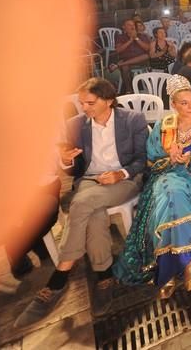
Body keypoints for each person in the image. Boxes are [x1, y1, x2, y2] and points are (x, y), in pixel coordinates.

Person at [15, 78, 147, 326]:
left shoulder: (132, 119)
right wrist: (65, 159)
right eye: (81, 103)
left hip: (124, 179)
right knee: (93, 213)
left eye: (90, 102)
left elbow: (142, 159)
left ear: (108, 100)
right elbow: (73, 170)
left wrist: (121, 173)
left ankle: (59, 277)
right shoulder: (75, 126)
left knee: (81, 204)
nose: (84, 108)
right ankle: (104, 276)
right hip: (90, 180)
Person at [114, 75, 191, 299]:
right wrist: (170, 158)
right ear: (173, 105)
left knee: (176, 196)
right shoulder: (163, 127)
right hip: (165, 176)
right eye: (184, 103)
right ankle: (184, 266)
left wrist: (190, 159)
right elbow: (151, 162)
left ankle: (176, 270)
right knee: (169, 194)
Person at [113, 19, 151, 93]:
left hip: (141, 60)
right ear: (124, 27)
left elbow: (147, 48)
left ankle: (119, 65)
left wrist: (136, 38)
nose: (132, 27)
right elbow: (118, 50)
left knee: (147, 55)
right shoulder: (120, 37)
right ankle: (128, 89)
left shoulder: (142, 36)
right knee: (125, 67)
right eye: (129, 25)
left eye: (133, 25)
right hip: (126, 59)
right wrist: (130, 40)